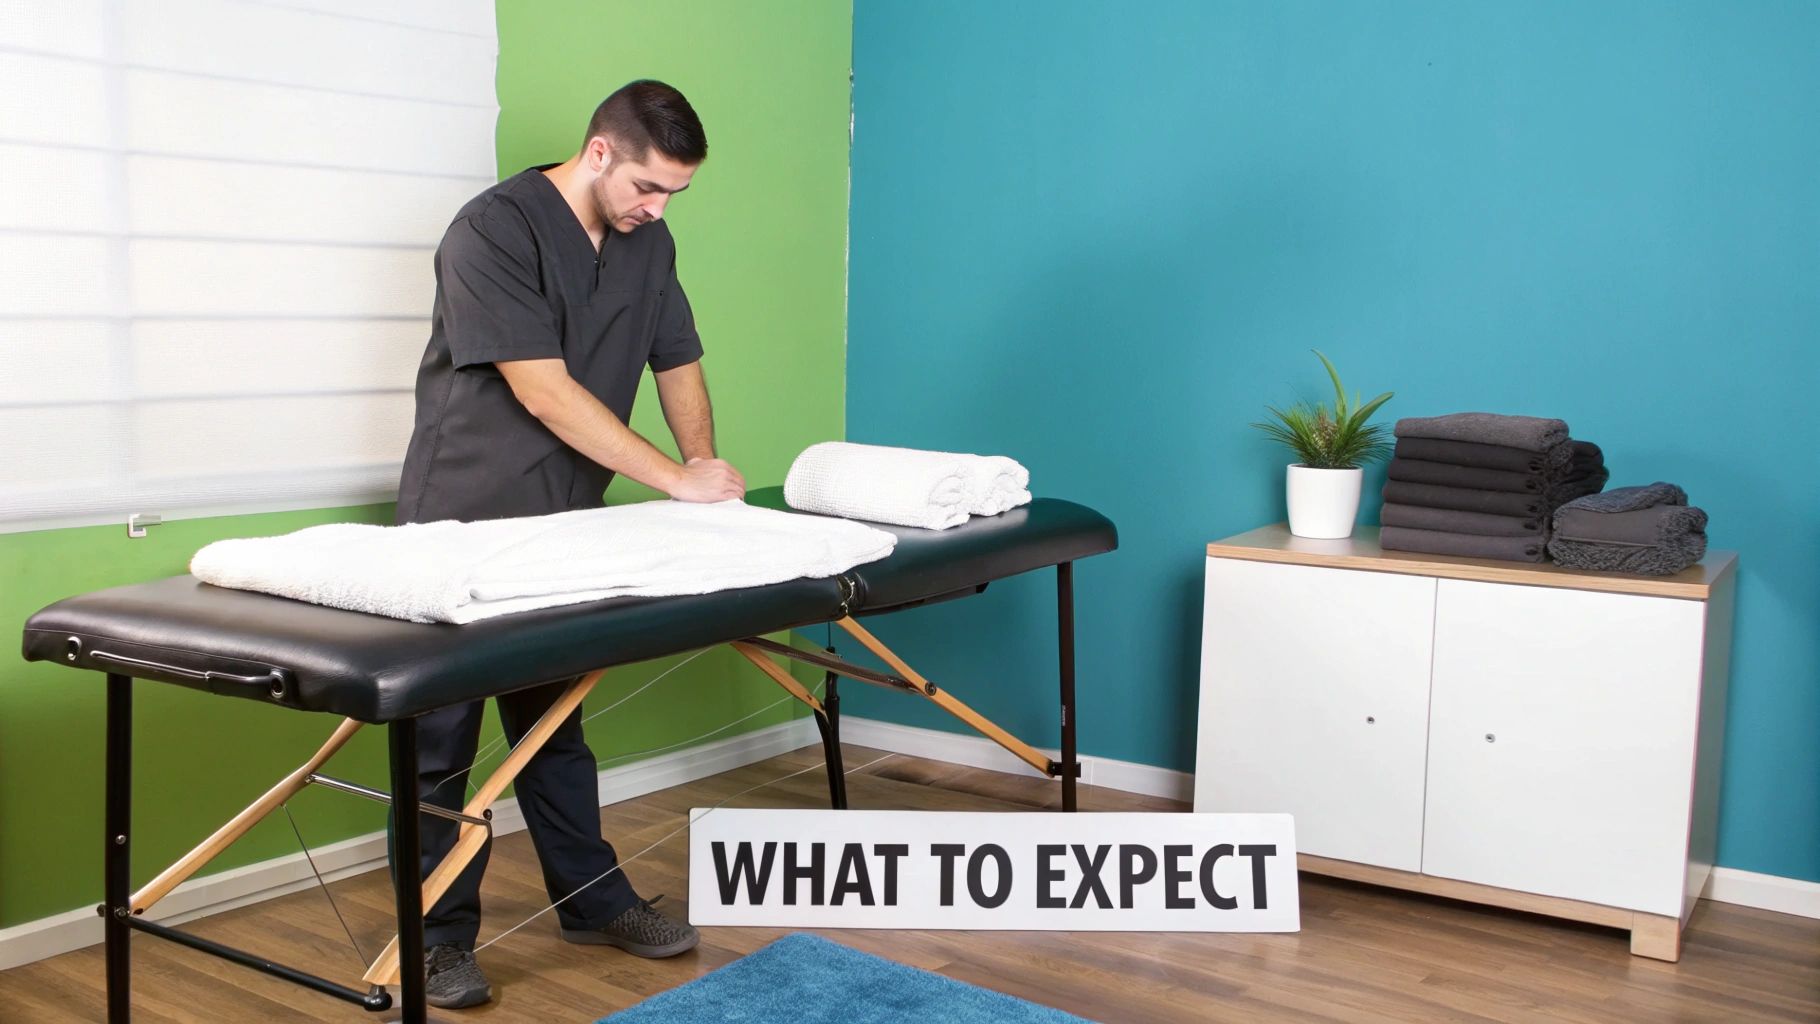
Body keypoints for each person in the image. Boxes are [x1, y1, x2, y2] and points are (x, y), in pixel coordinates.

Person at [392, 79, 744, 1009]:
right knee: (441, 748)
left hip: (568, 517)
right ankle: (439, 938)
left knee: (554, 726)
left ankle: (593, 900)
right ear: (599, 154)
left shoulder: (648, 240)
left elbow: (678, 358)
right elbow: (541, 390)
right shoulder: (491, 230)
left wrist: (704, 469)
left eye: (674, 194)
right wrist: (671, 481)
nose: (657, 210)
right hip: (462, 517)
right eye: (648, 188)